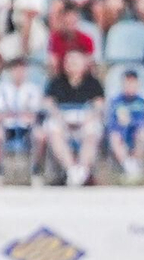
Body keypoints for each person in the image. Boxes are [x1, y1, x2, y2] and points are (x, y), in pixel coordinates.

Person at [43, 48, 105, 185]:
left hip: (85, 120)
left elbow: (99, 105)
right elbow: (49, 103)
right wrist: (60, 117)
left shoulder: (93, 83)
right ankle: (71, 169)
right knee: (53, 129)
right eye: (69, 61)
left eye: (76, 62)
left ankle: (82, 170)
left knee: (93, 130)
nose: (71, 64)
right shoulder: (57, 82)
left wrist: (89, 117)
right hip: (63, 120)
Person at [0, 56, 43, 184]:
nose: (19, 73)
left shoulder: (33, 89)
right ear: (11, 71)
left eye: (22, 70)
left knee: (40, 135)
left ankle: (36, 172)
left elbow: (33, 115)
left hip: (27, 127)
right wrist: (18, 114)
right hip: (7, 126)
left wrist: (13, 113)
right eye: (16, 70)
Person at [105, 67, 144, 183]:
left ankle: (136, 163)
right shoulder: (116, 101)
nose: (130, 86)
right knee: (114, 137)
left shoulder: (143, 101)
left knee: (143, 134)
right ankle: (129, 167)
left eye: (133, 83)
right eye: (127, 83)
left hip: (136, 133)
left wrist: (131, 122)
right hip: (121, 133)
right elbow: (111, 123)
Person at [47, 5, 95, 76]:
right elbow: (54, 63)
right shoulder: (54, 38)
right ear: (62, 20)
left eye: (73, 21)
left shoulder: (86, 39)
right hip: (61, 76)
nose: (70, 24)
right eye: (67, 22)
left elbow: (90, 63)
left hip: (82, 76)